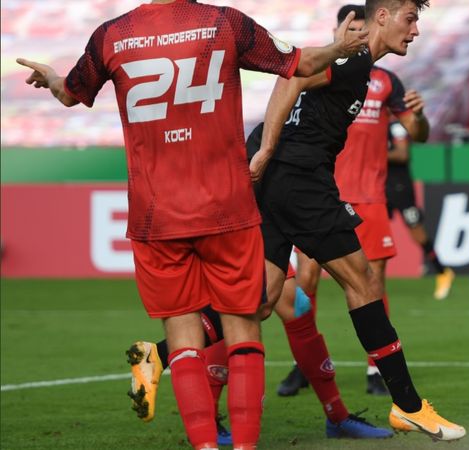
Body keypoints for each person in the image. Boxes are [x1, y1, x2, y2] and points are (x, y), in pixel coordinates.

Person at [16, 0, 366, 447]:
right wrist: (340, 46)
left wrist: (49, 77)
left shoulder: (112, 34)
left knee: (183, 341)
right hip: (226, 207)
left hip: (157, 214)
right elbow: (300, 63)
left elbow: (69, 93)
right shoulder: (224, 22)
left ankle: (203, 443)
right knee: (242, 331)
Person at [246, 0, 465, 441]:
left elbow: (306, 80)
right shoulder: (353, 57)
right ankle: (408, 405)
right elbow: (295, 74)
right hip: (300, 181)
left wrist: (267, 154)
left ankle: (162, 352)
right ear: (381, 17)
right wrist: (267, 147)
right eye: (410, 18)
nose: (416, 30)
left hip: (282, 182)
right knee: (363, 282)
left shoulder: (366, 68)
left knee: (263, 298)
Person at [133, 264, 394, 442]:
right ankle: (164, 359)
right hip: (242, 218)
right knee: (241, 307)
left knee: (291, 305)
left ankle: (337, 416)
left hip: (262, 218)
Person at [386, 121, 456, 300]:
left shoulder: (395, 127)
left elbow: (402, 154)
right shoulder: (375, 124)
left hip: (400, 188)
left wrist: (376, 154)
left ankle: (442, 271)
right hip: (379, 187)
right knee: (370, 229)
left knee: (416, 231)